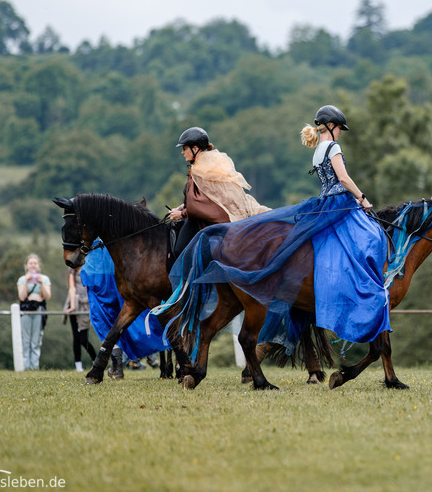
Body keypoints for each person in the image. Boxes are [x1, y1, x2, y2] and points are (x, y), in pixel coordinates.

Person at [159, 105, 390, 348]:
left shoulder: (318, 150)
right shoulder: (333, 147)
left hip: (323, 203)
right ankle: (365, 288)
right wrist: (362, 198)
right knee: (369, 239)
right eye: (339, 129)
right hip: (339, 203)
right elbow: (342, 178)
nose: (340, 133)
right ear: (331, 127)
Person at [166, 126, 269, 271]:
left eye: (184, 148)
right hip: (198, 215)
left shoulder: (200, 168)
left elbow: (205, 204)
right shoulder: (209, 162)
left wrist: (182, 214)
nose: (182, 152)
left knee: (179, 250)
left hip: (202, 220)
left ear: (195, 148)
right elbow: (204, 197)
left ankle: (194, 288)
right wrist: (182, 207)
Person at [17, 254, 51, 370]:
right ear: (26, 266)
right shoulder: (22, 279)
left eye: (35, 263)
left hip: (39, 310)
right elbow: (22, 297)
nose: (33, 265)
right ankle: (25, 366)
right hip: (26, 311)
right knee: (25, 340)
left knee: (36, 340)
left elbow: (47, 296)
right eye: (30, 263)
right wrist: (26, 282)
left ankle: (34, 366)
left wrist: (41, 283)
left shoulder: (45, 279)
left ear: (38, 265)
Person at [65, 265, 96, 372]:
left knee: (83, 338)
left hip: (86, 305)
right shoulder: (72, 270)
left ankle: (96, 360)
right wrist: (73, 306)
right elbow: (72, 288)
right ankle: (78, 365)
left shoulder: (89, 267)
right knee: (76, 338)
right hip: (74, 303)